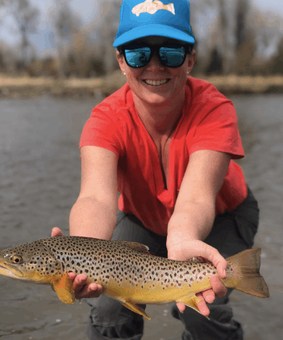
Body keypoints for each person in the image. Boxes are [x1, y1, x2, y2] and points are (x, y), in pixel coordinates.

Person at [52, 0, 259, 339]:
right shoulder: (104, 120)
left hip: (223, 215)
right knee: (108, 310)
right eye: (137, 54)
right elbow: (95, 198)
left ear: (190, 59)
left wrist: (180, 239)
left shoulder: (215, 110)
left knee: (200, 311)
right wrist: (83, 256)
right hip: (141, 218)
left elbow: (195, 199)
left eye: (170, 53)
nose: (154, 66)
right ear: (121, 60)